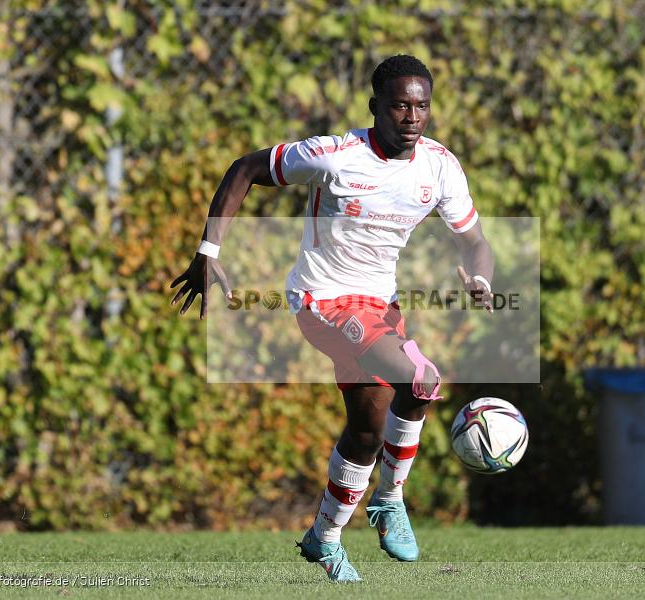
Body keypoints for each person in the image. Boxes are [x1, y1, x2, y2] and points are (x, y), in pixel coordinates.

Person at [171, 54, 494, 583]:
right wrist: (209, 250)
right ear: (375, 108)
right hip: (323, 302)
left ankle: (323, 537)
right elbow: (246, 168)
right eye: (400, 106)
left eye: (422, 106)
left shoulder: (439, 167)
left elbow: (476, 242)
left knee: (367, 433)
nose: (412, 117)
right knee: (421, 379)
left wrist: (482, 279)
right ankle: (390, 501)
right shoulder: (334, 155)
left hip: (380, 307)